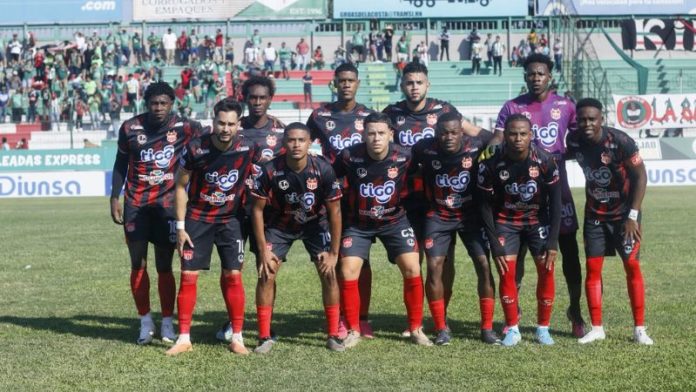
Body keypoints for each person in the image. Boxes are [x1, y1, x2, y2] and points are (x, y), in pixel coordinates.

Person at [494, 53, 586, 338]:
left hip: (556, 187)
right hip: (521, 193)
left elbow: (578, 139)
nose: (536, 78)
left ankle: (575, 310)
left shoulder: (566, 106)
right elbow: (498, 140)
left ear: (550, 76)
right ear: (525, 77)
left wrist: (554, 158)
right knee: (517, 252)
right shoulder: (512, 107)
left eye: (541, 73)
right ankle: (515, 313)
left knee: (567, 250)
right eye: (531, 74)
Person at [166, 98, 261, 356]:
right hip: (198, 219)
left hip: (231, 220)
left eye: (231, 124)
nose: (225, 129)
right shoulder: (195, 149)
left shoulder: (249, 148)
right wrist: (181, 226)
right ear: (213, 121)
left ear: (238, 125)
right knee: (188, 276)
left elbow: (259, 179)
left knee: (233, 275)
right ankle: (184, 337)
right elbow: (179, 186)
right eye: (221, 123)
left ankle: (237, 337)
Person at [110, 82, 203, 346]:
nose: (158, 108)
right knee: (137, 263)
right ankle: (145, 322)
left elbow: (211, 141)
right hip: (136, 205)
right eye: (154, 103)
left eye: (163, 103)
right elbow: (120, 163)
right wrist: (114, 196)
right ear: (146, 104)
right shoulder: (130, 128)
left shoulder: (186, 128)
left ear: (172, 104)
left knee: (164, 265)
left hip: (167, 207)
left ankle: (166, 322)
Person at [382, 62, 468, 335]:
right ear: (402, 84)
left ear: (427, 84)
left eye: (419, 82)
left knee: (444, 259)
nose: (414, 87)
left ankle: (440, 313)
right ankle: (416, 318)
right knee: (412, 258)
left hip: (438, 198)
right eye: (409, 82)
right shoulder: (391, 114)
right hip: (403, 198)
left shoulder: (444, 111)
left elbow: (478, 135)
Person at [334, 112, 433, 348]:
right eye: (371, 133)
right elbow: (331, 179)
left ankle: (416, 328)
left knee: (412, 267)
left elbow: (422, 177)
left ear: (390, 134)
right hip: (358, 224)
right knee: (348, 271)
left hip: (394, 221)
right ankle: (354, 330)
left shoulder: (405, 156)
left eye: (381, 133)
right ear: (363, 135)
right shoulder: (349, 156)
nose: (376, 138)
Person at [565, 98, 653, 345]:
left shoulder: (620, 141)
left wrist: (632, 216)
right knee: (593, 270)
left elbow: (641, 176)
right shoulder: (573, 140)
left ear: (601, 119)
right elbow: (561, 156)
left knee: (632, 267)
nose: (587, 124)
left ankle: (639, 329)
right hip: (595, 216)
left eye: (592, 119)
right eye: (582, 119)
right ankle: (597, 328)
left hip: (624, 218)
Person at [251, 122, 344, 353]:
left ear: (309, 142)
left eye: (301, 140)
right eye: (291, 140)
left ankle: (333, 334)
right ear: (284, 142)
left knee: (329, 271)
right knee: (266, 272)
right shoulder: (270, 169)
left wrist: (334, 253)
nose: (296, 144)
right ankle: (264, 336)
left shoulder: (323, 169)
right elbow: (257, 210)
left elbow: (335, 212)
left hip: (315, 224)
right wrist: (263, 249)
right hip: (280, 225)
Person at [411, 112, 500, 345]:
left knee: (483, 264)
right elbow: (408, 167)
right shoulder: (424, 149)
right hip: (438, 216)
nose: (448, 137)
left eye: (453, 132)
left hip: (470, 216)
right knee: (433, 265)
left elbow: (496, 138)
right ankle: (441, 327)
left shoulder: (476, 145)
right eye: (443, 133)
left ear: (462, 132)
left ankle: (487, 328)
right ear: (436, 134)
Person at [213, 75, 287, 343]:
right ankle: (234, 321)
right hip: (234, 210)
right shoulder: (233, 128)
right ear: (245, 98)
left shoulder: (280, 131)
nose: (257, 102)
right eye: (253, 97)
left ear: (270, 99)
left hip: (268, 212)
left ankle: (264, 323)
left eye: (262, 97)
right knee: (232, 268)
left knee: (266, 267)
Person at [477, 113, 562, 347]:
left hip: (537, 222)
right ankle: (512, 328)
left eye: (523, 134)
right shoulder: (491, 163)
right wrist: (494, 243)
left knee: (547, 270)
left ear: (531, 135)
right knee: (507, 272)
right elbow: (483, 206)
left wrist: (553, 242)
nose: (517, 138)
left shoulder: (545, 161)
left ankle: (543, 329)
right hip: (506, 222)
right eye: (512, 134)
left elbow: (556, 204)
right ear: (504, 136)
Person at [306, 64, 376, 337]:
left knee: (362, 258)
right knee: (336, 257)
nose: (346, 84)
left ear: (358, 83)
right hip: (330, 197)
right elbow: (300, 141)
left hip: (362, 195)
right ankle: (342, 318)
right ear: (334, 84)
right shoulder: (320, 115)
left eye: (350, 80)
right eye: (341, 81)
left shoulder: (369, 115)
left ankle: (363, 317)